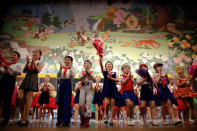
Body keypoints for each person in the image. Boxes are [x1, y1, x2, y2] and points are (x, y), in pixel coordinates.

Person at [17, 49, 44, 127]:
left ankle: (25, 119)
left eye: (36, 52)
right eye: (34, 52)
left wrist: (33, 62)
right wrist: (27, 62)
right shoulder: (29, 61)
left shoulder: (40, 62)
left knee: (28, 100)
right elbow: (24, 70)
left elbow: (38, 70)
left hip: (33, 79)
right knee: (20, 97)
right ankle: (22, 115)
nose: (34, 53)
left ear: (40, 55)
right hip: (26, 79)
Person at [0, 51, 22, 126]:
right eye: (12, 55)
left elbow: (19, 72)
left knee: (7, 100)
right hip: (3, 79)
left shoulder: (18, 64)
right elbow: (2, 71)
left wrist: (9, 68)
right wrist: (4, 68)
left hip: (10, 80)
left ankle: (6, 119)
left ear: (18, 57)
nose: (12, 56)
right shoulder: (7, 63)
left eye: (14, 55)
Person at [99, 57, 119, 125]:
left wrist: (111, 78)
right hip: (106, 88)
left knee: (112, 104)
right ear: (106, 66)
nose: (109, 65)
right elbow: (101, 65)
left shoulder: (115, 73)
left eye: (110, 64)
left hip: (113, 88)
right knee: (107, 103)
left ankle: (111, 119)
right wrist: (100, 59)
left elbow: (118, 80)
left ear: (112, 66)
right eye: (107, 64)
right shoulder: (105, 72)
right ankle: (106, 116)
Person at [56, 56, 75, 127]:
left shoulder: (72, 69)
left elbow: (72, 76)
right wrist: (60, 68)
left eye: (69, 60)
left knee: (67, 102)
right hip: (61, 83)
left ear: (71, 62)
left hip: (68, 83)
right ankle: (59, 120)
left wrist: (69, 69)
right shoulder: (62, 68)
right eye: (66, 60)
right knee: (60, 102)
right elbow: (58, 75)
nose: (67, 61)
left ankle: (66, 121)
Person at [79, 60, 95, 127]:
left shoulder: (92, 72)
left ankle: (87, 121)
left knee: (89, 104)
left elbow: (93, 79)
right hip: (82, 88)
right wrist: (85, 73)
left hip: (89, 88)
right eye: (86, 64)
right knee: (81, 104)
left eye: (89, 64)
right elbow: (80, 78)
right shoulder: (81, 72)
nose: (87, 65)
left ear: (91, 66)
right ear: (84, 65)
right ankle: (82, 118)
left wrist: (89, 73)